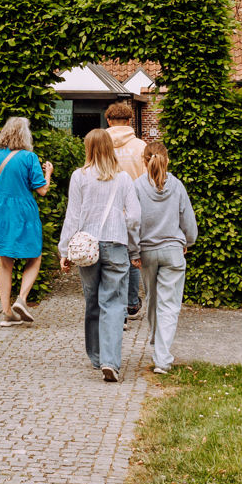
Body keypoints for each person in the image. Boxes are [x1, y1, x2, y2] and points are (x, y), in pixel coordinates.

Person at [59, 128, 142, 381]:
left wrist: (64, 250)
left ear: (88, 148)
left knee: (93, 301)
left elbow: (73, 216)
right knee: (115, 304)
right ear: (110, 148)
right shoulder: (124, 178)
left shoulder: (79, 177)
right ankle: (110, 361)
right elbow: (135, 217)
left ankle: (96, 358)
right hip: (116, 245)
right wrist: (126, 234)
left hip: (88, 249)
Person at [136, 140, 198, 374]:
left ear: (144, 161)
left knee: (152, 299)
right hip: (173, 251)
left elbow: (132, 222)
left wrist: (134, 250)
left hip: (146, 252)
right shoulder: (177, 186)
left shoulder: (137, 186)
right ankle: (162, 358)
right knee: (169, 305)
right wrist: (186, 241)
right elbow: (189, 223)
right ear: (167, 160)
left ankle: (156, 345)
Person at [0, 117, 50, 326]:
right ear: (25, 135)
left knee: (5, 264)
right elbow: (42, 190)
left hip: (0, 210)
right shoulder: (30, 158)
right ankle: (21, 299)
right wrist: (49, 173)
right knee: (34, 257)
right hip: (23, 211)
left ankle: (6, 313)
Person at [103, 101, 148, 322]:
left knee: (111, 257)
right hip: (133, 208)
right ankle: (131, 302)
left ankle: (115, 304)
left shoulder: (100, 145)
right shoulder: (141, 147)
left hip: (106, 209)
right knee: (133, 254)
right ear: (130, 121)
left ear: (108, 120)